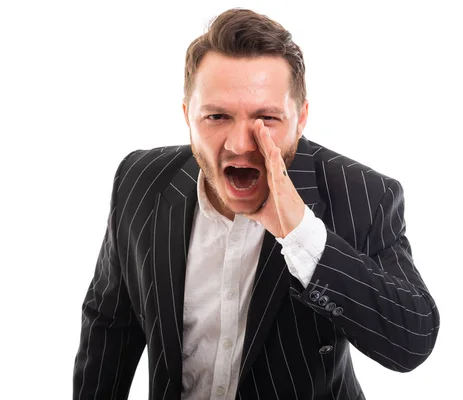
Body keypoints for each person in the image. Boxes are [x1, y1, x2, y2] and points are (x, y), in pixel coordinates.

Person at [73, 8, 440, 400]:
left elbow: (411, 340)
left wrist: (300, 232)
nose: (240, 144)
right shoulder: (139, 181)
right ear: (187, 117)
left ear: (300, 119)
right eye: (216, 116)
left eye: (266, 118)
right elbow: (109, 325)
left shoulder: (361, 194)